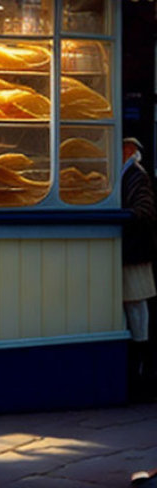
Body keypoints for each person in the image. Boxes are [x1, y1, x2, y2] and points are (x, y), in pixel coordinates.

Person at [121, 136, 157, 400]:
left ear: (130, 149)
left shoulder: (135, 174)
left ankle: (141, 360)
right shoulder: (128, 173)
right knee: (134, 303)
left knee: (136, 304)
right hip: (132, 249)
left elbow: (144, 209)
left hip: (135, 250)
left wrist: (127, 216)